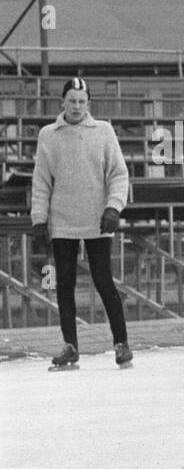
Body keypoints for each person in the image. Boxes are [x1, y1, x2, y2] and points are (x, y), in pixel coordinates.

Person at [30, 77, 132, 370]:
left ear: (89, 104)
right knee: (65, 284)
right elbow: (41, 181)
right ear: (63, 102)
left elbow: (118, 174)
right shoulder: (49, 135)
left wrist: (114, 206)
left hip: (97, 219)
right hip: (63, 221)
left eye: (82, 101)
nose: (76, 106)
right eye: (72, 101)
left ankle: (121, 343)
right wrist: (39, 219)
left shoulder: (103, 131)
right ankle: (70, 345)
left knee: (103, 281)